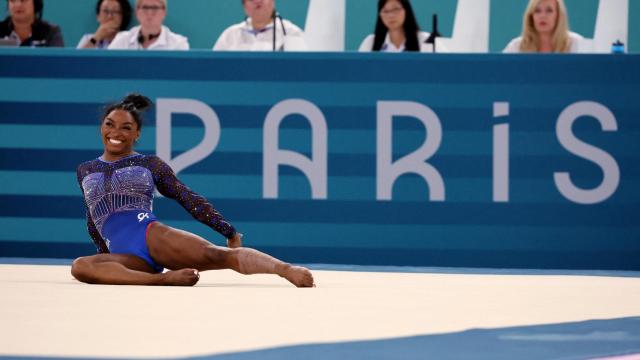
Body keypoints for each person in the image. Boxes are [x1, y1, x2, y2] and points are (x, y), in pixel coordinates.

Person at [71, 94, 315, 287]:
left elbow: (187, 198)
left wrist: (227, 230)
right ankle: (163, 280)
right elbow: (93, 219)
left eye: (125, 127)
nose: (116, 132)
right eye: (109, 124)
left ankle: (286, 270)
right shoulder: (84, 170)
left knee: (218, 255)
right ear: (101, 127)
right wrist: (104, 259)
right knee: (80, 266)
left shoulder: (149, 164)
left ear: (137, 134)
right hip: (124, 258)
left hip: (150, 236)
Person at [213, 0, 307, 51]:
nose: (257, 1)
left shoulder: (291, 33)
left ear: (273, 2)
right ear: (244, 6)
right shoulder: (230, 35)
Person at [358, 0, 442, 53]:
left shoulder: (425, 40)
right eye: (385, 11)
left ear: (407, 10)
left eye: (396, 9)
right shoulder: (370, 43)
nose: (391, 15)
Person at [503, 0, 583, 53]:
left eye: (549, 10)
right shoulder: (516, 47)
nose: (543, 16)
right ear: (531, 16)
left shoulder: (576, 43)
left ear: (558, 15)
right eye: (537, 11)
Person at [108, 0, 188, 50]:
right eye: (145, 7)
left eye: (155, 8)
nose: (149, 13)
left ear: (164, 12)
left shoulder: (178, 44)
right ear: (137, 11)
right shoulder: (122, 40)